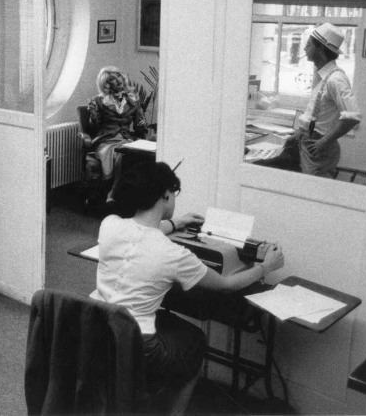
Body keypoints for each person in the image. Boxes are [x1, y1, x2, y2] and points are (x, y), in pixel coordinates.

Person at [91, 161, 284, 414]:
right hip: (140, 347)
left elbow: (143, 228)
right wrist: (265, 268)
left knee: (166, 316)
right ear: (165, 194)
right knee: (195, 339)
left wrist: (177, 223)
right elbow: (226, 285)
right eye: (174, 194)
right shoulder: (173, 254)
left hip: (96, 328)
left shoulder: (110, 224)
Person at [291, 23, 361, 178]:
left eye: (308, 45)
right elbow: (316, 112)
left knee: (314, 192)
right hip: (308, 142)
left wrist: (323, 142)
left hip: (319, 147)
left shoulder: (336, 79)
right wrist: (300, 132)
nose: (304, 49)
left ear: (321, 49)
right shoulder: (322, 75)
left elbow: (353, 117)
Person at [86, 66, 149, 201]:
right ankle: (113, 192)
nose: (118, 80)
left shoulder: (133, 100)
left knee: (125, 152)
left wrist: (141, 124)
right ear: (107, 84)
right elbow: (93, 127)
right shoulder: (98, 101)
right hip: (106, 140)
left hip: (126, 139)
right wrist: (93, 114)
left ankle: (118, 193)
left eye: (119, 76)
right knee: (121, 153)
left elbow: (140, 129)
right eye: (113, 79)